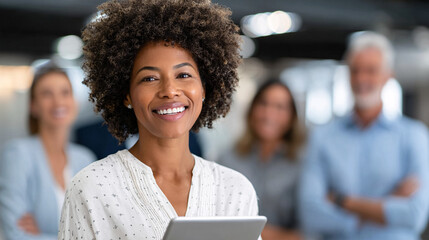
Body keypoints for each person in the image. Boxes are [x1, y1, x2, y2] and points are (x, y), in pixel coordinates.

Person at [58, 0, 260, 239]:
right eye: (150, 78)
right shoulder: (92, 188)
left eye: (183, 75)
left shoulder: (234, 190)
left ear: (204, 88)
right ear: (126, 95)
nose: (170, 90)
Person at [299, 31, 429, 240]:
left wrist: (342, 201)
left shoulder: (414, 136)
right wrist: (388, 203)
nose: (361, 79)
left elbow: (415, 215)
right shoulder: (323, 136)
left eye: (371, 70)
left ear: (388, 76)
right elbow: (311, 214)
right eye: (355, 70)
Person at [0, 62, 96, 240]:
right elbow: (17, 235)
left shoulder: (85, 159)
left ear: (74, 101)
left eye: (65, 93)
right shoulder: (17, 154)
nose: (58, 101)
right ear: (33, 106)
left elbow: (98, 229)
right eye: (46, 94)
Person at [219, 80, 305, 240]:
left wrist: (252, 233)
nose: (269, 113)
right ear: (252, 110)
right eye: (263, 104)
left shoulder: (302, 163)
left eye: (280, 107)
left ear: (292, 116)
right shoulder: (228, 158)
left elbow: (307, 234)